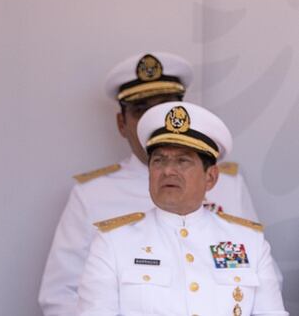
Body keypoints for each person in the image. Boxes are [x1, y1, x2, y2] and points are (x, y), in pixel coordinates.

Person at [39, 52, 260, 316]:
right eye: (140, 110)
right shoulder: (91, 194)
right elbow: (59, 295)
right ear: (122, 123)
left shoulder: (229, 183)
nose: (152, 118)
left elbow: (256, 281)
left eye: (164, 107)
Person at [76, 102, 287, 315]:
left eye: (182, 161)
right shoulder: (112, 243)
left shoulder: (248, 242)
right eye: (158, 161)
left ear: (211, 177)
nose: (168, 170)